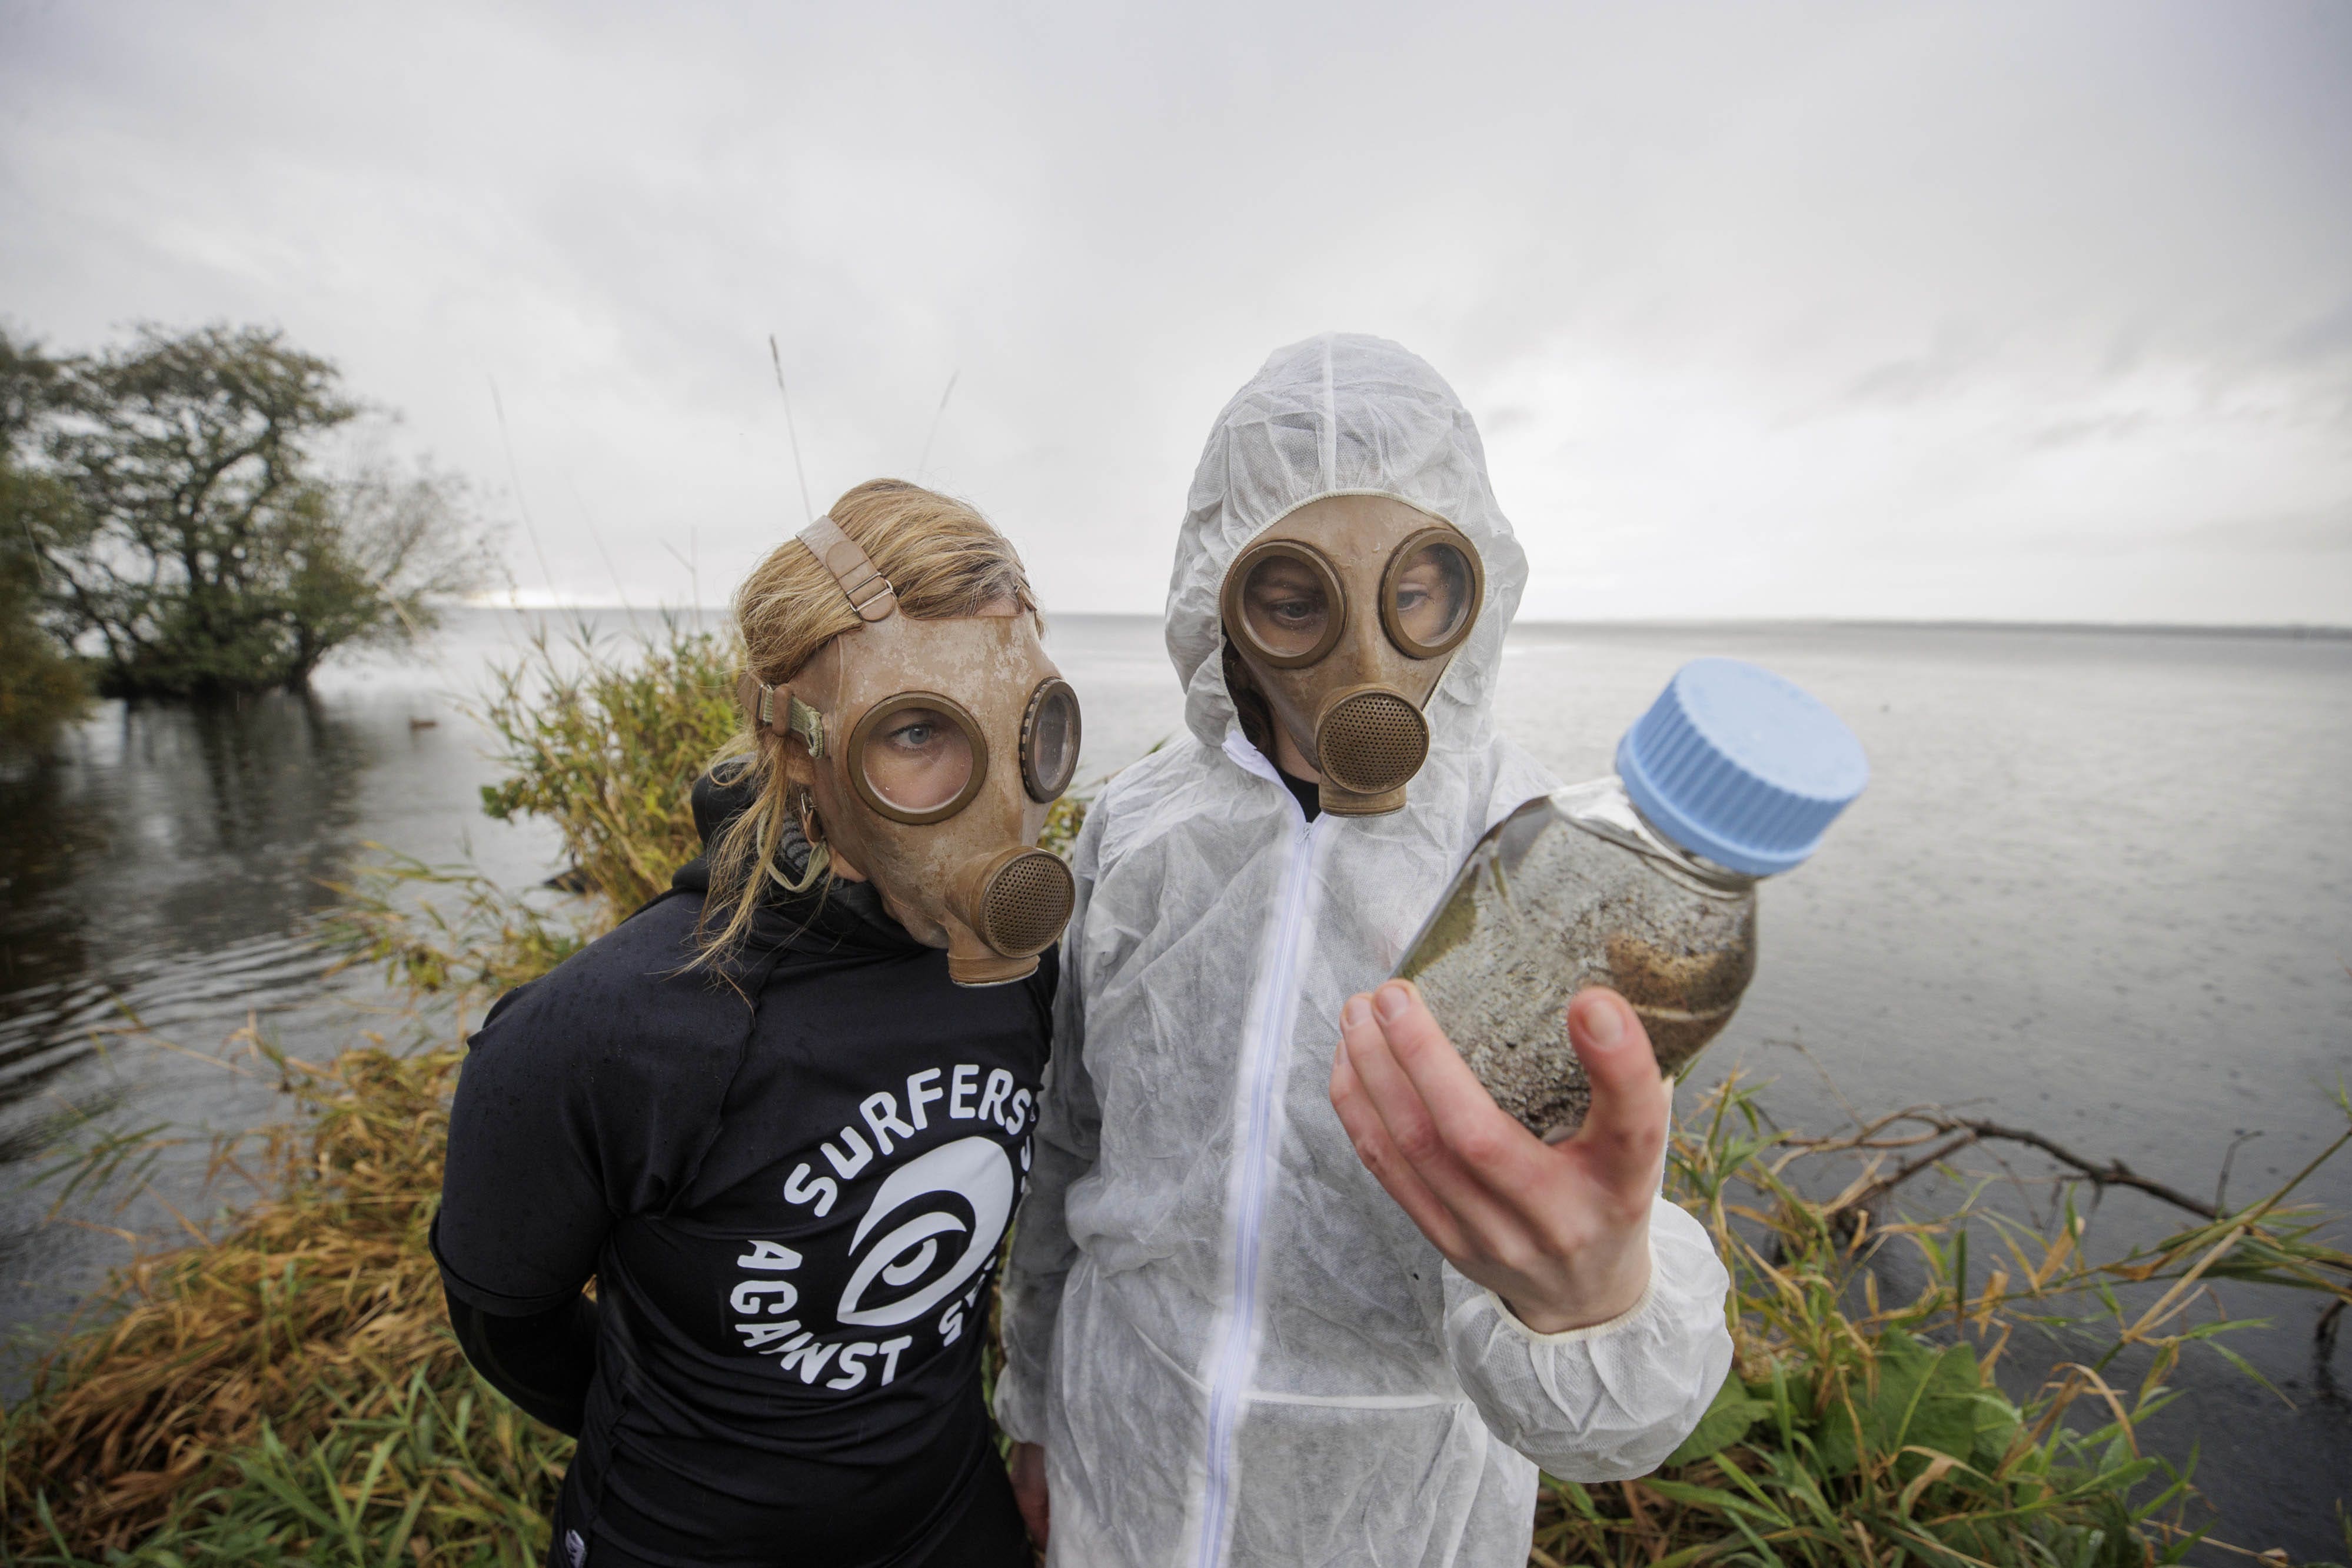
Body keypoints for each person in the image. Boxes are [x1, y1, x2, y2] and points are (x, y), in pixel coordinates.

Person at [995, 335, 1735, 1567]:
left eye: (1412, 591)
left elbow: (1605, 1270)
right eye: (1295, 599)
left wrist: (1595, 1303)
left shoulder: (1536, 858)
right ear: (1217, 593)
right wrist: (1034, 1417)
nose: (1361, 652)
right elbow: (1074, 1143)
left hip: (1388, 1508)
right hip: (1124, 1454)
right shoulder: (1138, 828)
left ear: (1471, 584)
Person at [434, 480, 1083, 1568]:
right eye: (916, 729)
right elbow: (508, 1317)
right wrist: (708, 1439)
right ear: (795, 749)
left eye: (1028, 728)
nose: (998, 801)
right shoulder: (613, 1029)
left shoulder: (1024, 973)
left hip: (945, 1518)